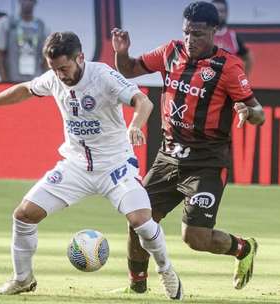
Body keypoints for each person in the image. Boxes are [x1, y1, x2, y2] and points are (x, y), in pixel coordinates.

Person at [0, 31, 183, 300]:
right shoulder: (53, 78)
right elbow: (25, 90)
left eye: (64, 67)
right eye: (54, 69)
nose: (60, 75)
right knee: (24, 215)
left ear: (80, 58)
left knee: (141, 220)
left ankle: (166, 271)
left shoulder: (103, 75)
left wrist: (134, 125)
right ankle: (22, 279)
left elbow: (143, 101)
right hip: (76, 166)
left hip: (115, 166)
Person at [111, 1, 265, 294]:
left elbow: (259, 112)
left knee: (195, 238)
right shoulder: (170, 52)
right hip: (168, 155)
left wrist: (247, 111)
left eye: (197, 34)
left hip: (207, 162)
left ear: (213, 32)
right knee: (138, 218)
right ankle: (137, 287)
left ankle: (244, 248)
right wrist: (121, 54)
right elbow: (129, 70)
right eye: (186, 33)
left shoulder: (229, 66)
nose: (190, 40)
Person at [0, 0, 49, 82]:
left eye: (30, 0)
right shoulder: (6, 23)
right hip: (12, 81)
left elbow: (47, 58)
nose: (27, 2)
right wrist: (4, 81)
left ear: (35, 2)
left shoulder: (42, 26)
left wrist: (44, 81)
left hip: (36, 82)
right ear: (19, 1)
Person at [212, 0, 253, 75]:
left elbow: (248, 58)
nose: (219, 14)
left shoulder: (233, 36)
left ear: (227, 13)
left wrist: (244, 78)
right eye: (215, 10)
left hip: (228, 84)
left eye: (222, 11)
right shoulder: (204, 35)